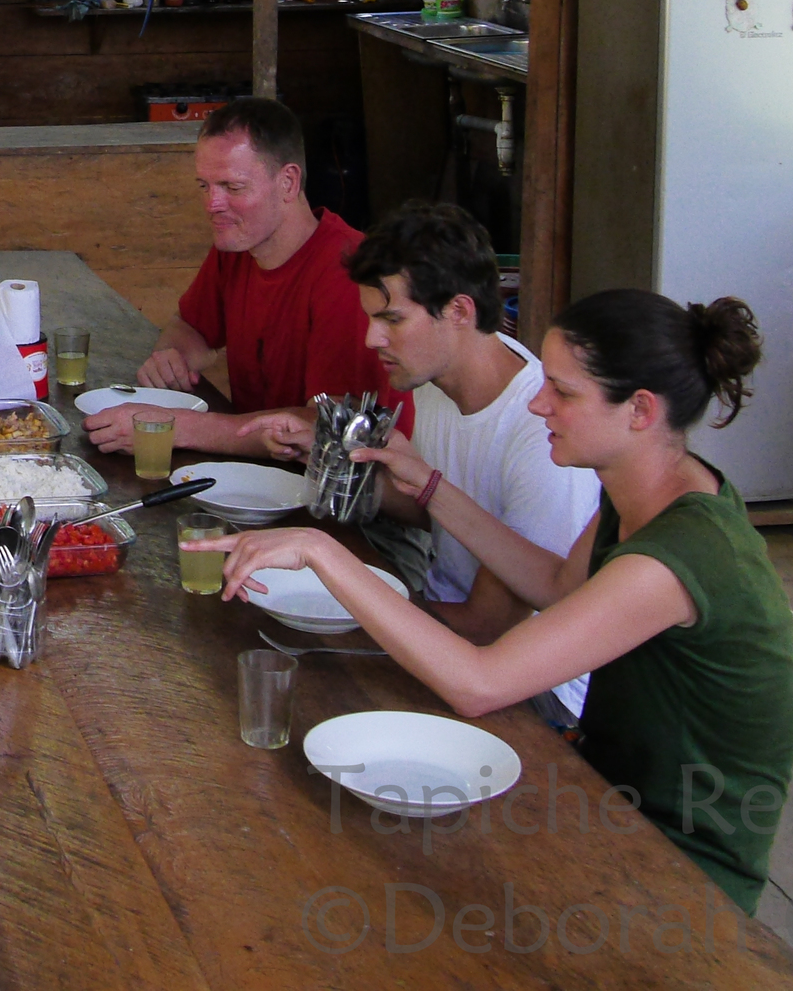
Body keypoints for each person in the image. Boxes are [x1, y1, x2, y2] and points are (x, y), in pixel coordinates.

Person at [218, 289, 793, 914]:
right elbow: (553, 585)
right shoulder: (652, 488)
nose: (538, 403)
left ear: (639, 410)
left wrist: (323, 553)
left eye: (564, 392)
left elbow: (479, 682)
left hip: (680, 863)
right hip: (601, 791)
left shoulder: (679, 553)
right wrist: (434, 489)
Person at [251, 201, 598, 718]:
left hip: (528, 694)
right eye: (372, 318)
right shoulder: (434, 377)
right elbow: (433, 513)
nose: (372, 339)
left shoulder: (541, 436)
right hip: (442, 621)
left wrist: (344, 599)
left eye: (392, 318)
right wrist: (333, 464)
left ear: (458, 311)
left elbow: (488, 625)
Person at [85, 96, 403, 463]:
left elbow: (328, 429)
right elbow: (191, 327)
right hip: (261, 474)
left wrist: (174, 426)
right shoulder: (239, 243)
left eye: (232, 187)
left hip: (348, 495)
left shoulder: (350, 273)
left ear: (288, 182)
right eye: (204, 186)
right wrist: (172, 358)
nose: (212, 204)